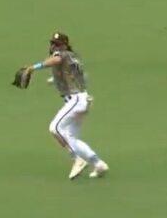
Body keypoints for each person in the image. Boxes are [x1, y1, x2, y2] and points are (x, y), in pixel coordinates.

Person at [24, 32, 109, 179]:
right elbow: (75, 74)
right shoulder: (73, 56)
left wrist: (33, 67)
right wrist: (55, 79)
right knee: (70, 137)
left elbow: (56, 60)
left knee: (55, 128)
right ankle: (98, 164)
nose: (53, 46)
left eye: (57, 43)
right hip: (83, 100)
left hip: (75, 100)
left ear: (64, 44)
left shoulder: (61, 54)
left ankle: (77, 159)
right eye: (52, 43)